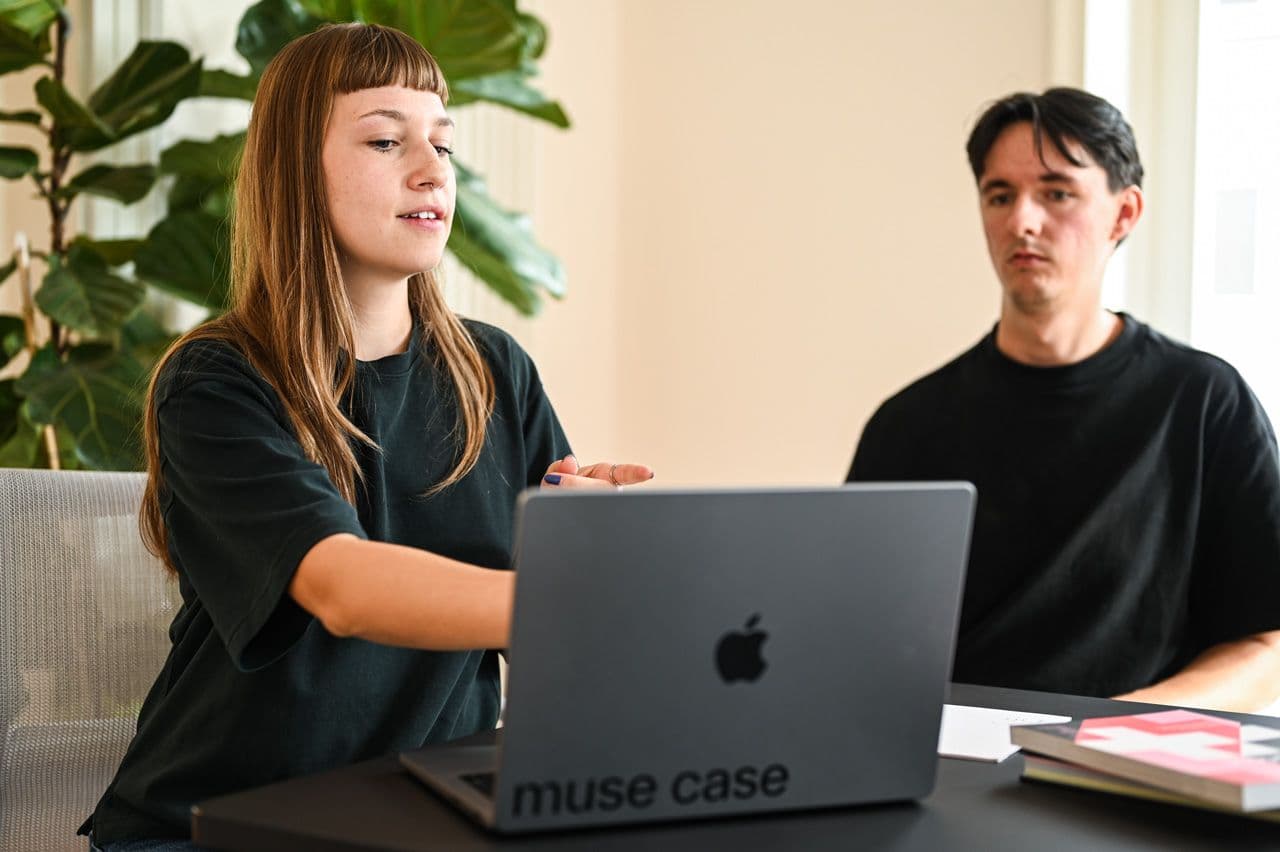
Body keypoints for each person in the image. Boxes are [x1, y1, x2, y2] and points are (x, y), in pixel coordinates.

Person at [80, 23, 652, 851]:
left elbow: (556, 650)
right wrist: (574, 597)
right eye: (386, 139)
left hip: (432, 820)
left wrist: (591, 540)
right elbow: (343, 587)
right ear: (293, 173)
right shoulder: (216, 382)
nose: (431, 169)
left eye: (443, 144)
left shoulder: (495, 370)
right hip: (217, 828)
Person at [848, 87, 1280, 711]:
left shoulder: (1203, 403)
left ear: (1123, 214)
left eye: (1057, 193)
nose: (1022, 221)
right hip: (947, 768)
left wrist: (1123, 731)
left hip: (1131, 773)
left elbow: (1266, 643)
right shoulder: (906, 425)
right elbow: (851, 641)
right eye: (1000, 195)